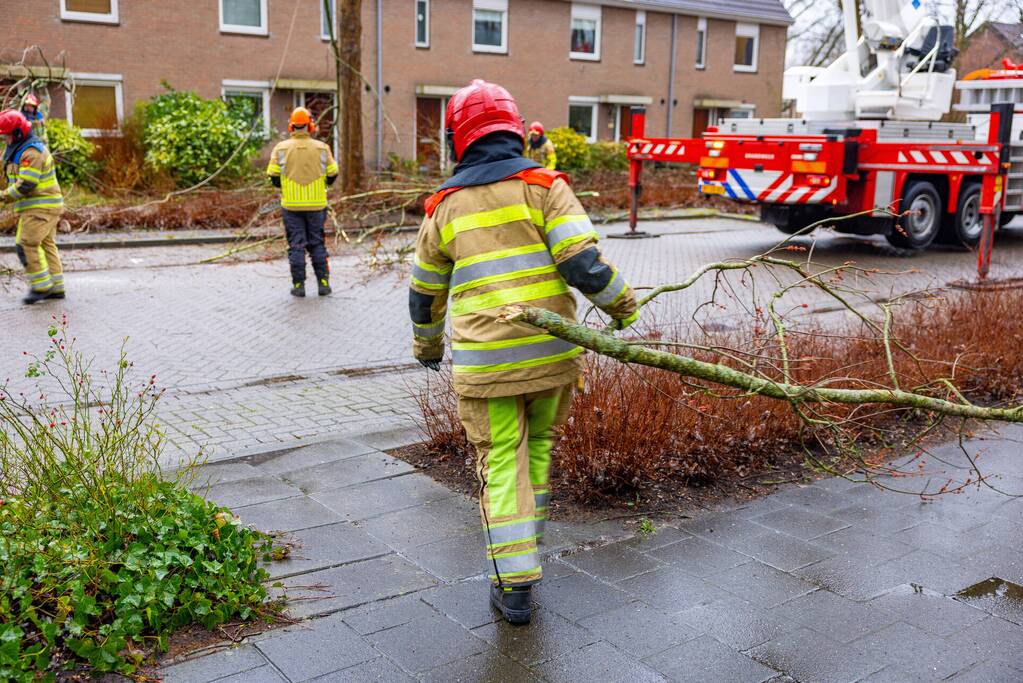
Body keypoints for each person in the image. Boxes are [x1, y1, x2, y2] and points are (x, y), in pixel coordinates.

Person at [409, 80, 638, 624]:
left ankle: (514, 586)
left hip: (486, 365)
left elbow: (424, 292)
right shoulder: (546, 187)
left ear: (458, 139)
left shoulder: (443, 207)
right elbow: (583, 265)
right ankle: (525, 560)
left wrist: (427, 346)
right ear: (515, 130)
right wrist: (623, 307)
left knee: (500, 461)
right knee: (537, 454)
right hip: (551, 357)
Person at [266, 107, 339, 297]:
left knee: (296, 245)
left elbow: (273, 175)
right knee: (317, 244)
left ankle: (299, 286)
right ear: (310, 126)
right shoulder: (322, 148)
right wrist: (324, 184)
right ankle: (323, 284)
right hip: (317, 205)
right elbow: (333, 173)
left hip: (291, 206)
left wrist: (284, 187)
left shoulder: (281, 148)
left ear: (291, 126)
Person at [0, 109, 64, 305]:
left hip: (41, 208)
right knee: (46, 245)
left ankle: (41, 287)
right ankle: (56, 287)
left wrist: (2, 196)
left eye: (7, 135)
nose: (5, 139)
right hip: (44, 207)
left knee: (26, 244)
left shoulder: (30, 152)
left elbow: (26, 184)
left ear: (18, 133)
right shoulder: (20, 148)